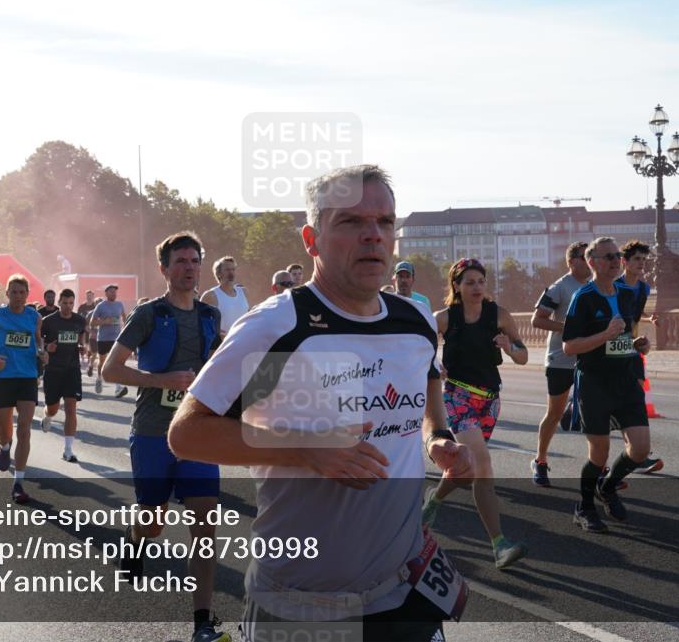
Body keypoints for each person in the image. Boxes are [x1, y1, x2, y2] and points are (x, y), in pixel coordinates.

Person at [170, 165, 475, 642]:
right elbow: (189, 433)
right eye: (351, 222)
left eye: (385, 222)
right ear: (312, 239)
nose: (373, 236)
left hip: (404, 590)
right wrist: (306, 449)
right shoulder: (280, 330)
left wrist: (437, 436)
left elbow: (428, 380)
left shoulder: (413, 321)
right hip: (300, 606)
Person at [101, 232, 228, 642]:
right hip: (154, 432)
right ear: (164, 268)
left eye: (194, 261)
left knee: (205, 523)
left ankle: (203, 623)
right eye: (180, 261)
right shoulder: (148, 314)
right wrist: (161, 381)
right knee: (152, 522)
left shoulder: (210, 316)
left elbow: (221, 367)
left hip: (199, 432)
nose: (188, 268)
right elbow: (110, 370)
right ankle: (134, 537)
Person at [428, 257, 529, 568]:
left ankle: (433, 500)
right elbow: (422, 351)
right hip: (457, 396)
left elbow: (523, 356)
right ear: (456, 286)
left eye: (481, 281)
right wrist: (435, 365)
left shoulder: (499, 315)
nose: (476, 287)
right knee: (482, 463)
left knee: (465, 468)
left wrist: (509, 348)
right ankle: (499, 544)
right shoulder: (444, 318)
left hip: (490, 399)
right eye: (469, 282)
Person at [563, 237, 652, 533]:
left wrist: (636, 343)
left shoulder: (627, 294)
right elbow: (569, 347)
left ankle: (608, 487)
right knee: (598, 454)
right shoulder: (583, 298)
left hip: (625, 380)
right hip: (595, 383)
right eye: (608, 256)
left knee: (640, 449)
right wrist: (605, 334)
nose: (616, 260)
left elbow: (623, 336)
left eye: (617, 255)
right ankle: (584, 506)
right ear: (592, 263)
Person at [0, 275, 47, 503]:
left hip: (27, 377)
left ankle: (18, 482)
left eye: (21, 292)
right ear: (7, 294)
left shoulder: (34, 317)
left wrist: (41, 352)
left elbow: (37, 342)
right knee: (6, 431)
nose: (18, 296)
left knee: (25, 429)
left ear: (27, 294)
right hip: (2, 378)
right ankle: (4, 446)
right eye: (13, 292)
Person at [529, 241, 591, 486]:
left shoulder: (596, 286)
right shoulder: (560, 287)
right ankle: (540, 461)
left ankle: (600, 467)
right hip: (560, 360)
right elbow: (537, 320)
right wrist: (568, 328)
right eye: (585, 257)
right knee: (554, 413)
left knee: (596, 412)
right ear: (572, 261)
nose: (590, 261)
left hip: (588, 358)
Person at [618, 240, 664, 475]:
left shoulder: (644, 289)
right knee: (616, 406)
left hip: (632, 350)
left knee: (635, 401)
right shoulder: (613, 287)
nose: (641, 264)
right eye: (637, 259)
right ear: (624, 261)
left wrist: (648, 320)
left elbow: (634, 315)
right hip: (610, 350)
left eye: (644, 260)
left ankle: (639, 454)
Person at [40, 288, 87, 461]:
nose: (67, 307)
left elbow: (81, 337)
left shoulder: (79, 320)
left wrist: (82, 346)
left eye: (70, 303)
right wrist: (46, 348)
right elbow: (39, 340)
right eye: (64, 303)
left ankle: (68, 450)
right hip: (53, 370)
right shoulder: (48, 321)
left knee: (70, 408)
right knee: (53, 408)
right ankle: (47, 415)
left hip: (72, 370)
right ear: (59, 303)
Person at [91, 284, 128, 397]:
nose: (114, 293)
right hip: (103, 338)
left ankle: (118, 387)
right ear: (106, 293)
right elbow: (92, 322)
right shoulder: (101, 306)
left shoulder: (119, 304)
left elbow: (124, 317)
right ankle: (99, 379)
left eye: (115, 291)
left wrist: (126, 328)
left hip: (116, 338)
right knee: (102, 362)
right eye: (111, 291)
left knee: (116, 362)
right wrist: (104, 322)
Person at [201, 256, 249, 337]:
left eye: (233, 269)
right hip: (222, 345)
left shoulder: (243, 292)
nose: (231, 273)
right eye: (227, 270)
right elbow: (199, 323)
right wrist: (215, 331)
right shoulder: (210, 295)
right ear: (218, 274)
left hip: (244, 341)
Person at [78, 290, 99, 376]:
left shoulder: (96, 306)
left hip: (92, 329)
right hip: (83, 327)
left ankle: (90, 357)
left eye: (91, 295)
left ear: (93, 296)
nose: (89, 297)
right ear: (86, 296)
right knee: (85, 344)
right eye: (88, 295)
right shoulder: (82, 307)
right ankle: (85, 356)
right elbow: (78, 316)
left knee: (90, 346)